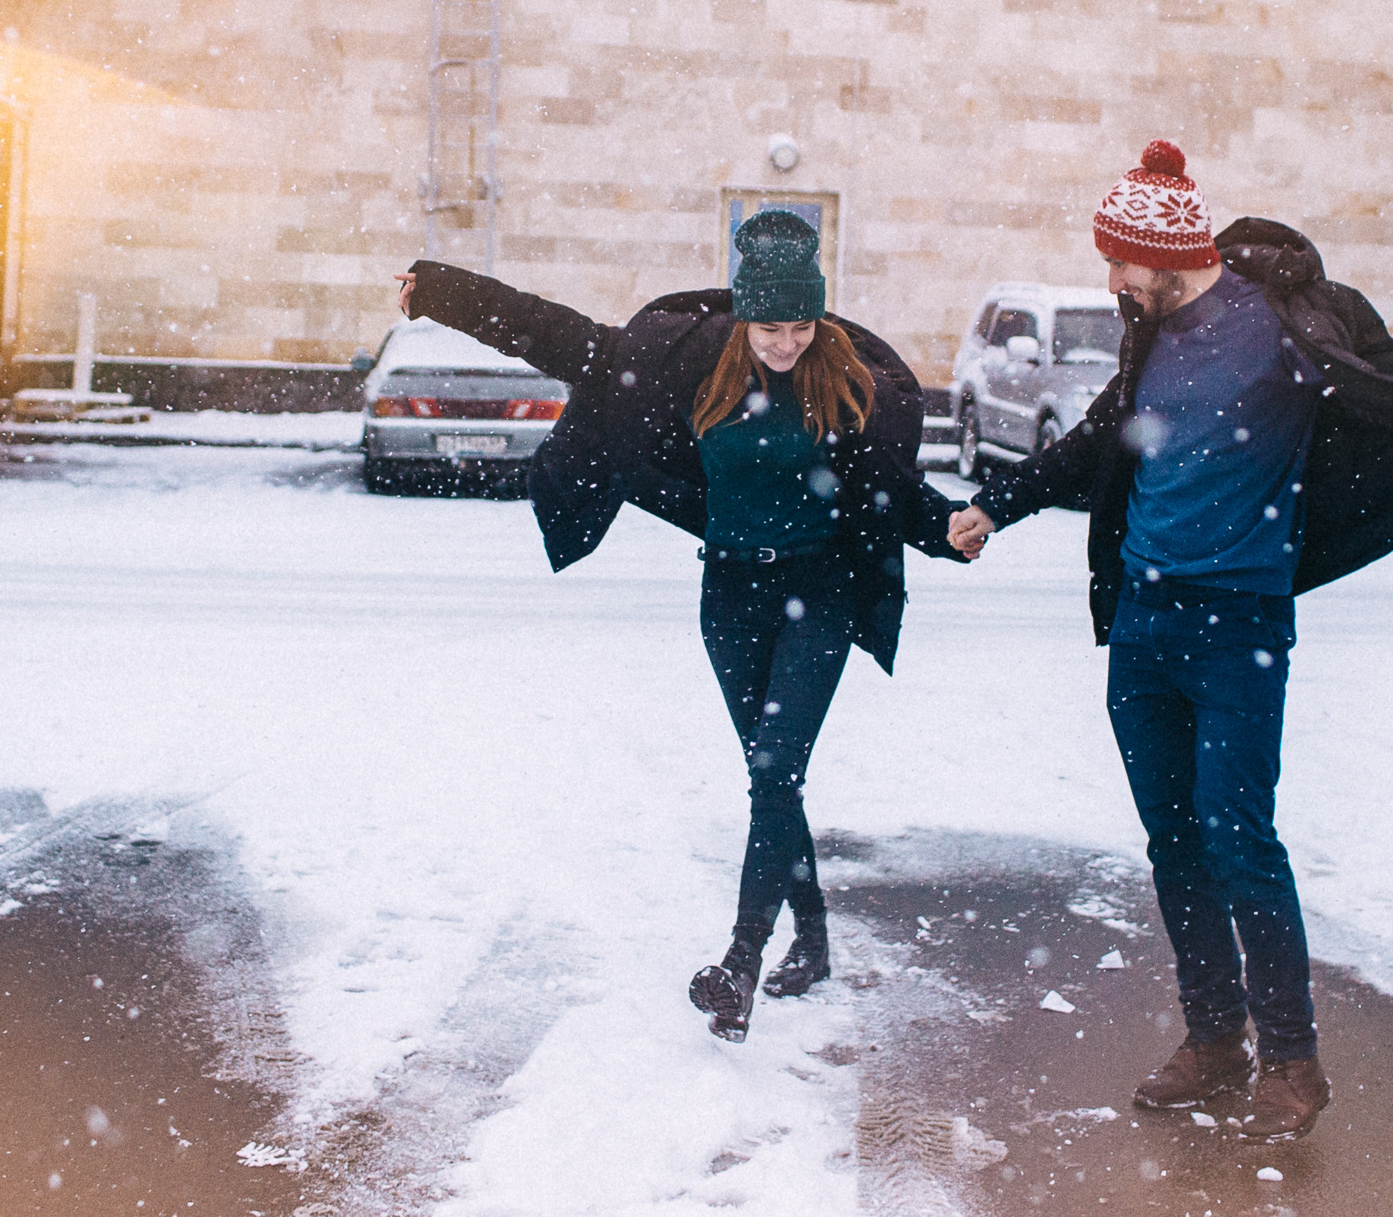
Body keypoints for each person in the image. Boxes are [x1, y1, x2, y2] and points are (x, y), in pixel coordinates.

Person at [947, 141, 1393, 1142]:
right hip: (1142, 621)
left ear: (1166, 255)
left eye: (1119, 263)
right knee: (1173, 841)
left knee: (1240, 838)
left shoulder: (1283, 325)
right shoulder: (1147, 338)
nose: (1111, 281)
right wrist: (995, 503)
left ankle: (1291, 1057)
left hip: (1238, 621)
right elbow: (1093, 444)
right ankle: (1212, 1037)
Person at [393, 210, 973, 1043]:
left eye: (801, 326)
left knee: (775, 770)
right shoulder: (688, 367)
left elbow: (888, 490)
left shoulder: (846, 385)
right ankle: (809, 935)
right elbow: (555, 334)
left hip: (820, 592)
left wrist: (951, 527)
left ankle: (741, 960)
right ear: (745, 317)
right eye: (770, 326)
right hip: (731, 598)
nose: (785, 343)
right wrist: (444, 292)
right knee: (773, 775)